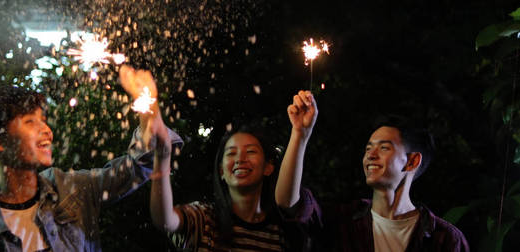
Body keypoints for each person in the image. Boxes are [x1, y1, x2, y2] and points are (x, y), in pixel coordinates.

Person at [0, 65, 182, 251]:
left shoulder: (73, 190)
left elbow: (137, 166)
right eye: (30, 122)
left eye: (43, 120)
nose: (47, 131)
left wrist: (147, 107)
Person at [142, 71, 322, 251]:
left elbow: (286, 201)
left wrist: (300, 133)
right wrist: (162, 157)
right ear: (221, 171)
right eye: (231, 153)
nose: (240, 159)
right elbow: (165, 220)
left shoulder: (282, 231)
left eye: (250, 151)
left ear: (268, 167)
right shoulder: (204, 220)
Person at [328, 116, 469, 251]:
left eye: (384, 148)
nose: (370, 155)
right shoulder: (341, 222)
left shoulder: (446, 239)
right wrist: (304, 136)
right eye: (368, 148)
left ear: (412, 161)